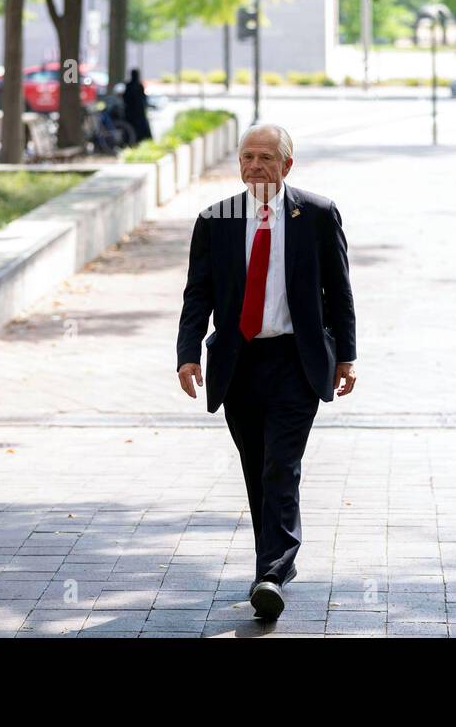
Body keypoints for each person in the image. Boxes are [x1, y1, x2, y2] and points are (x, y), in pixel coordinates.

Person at [176, 123, 357, 621]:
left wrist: (347, 355)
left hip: (296, 362)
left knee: (281, 464)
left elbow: (339, 291)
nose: (254, 166)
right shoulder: (216, 219)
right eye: (247, 157)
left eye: (265, 158)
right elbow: (199, 293)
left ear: (286, 166)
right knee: (257, 467)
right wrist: (188, 352)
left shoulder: (316, 214)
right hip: (240, 363)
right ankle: (274, 563)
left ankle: (271, 573)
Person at [121, 68, 152, 143]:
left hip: (131, 111)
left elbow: (125, 98)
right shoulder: (139, 85)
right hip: (138, 111)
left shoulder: (129, 85)